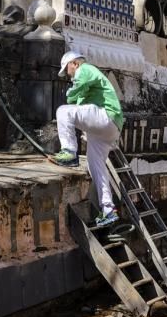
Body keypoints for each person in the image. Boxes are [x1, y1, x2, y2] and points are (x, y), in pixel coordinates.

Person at [51, 50, 125, 228]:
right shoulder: (87, 82)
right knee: (96, 166)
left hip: (106, 115)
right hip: (111, 127)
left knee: (63, 111)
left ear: (74, 63)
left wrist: (70, 93)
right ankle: (108, 209)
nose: (69, 75)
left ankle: (69, 152)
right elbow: (80, 109)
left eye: (68, 70)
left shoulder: (85, 69)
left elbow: (77, 88)